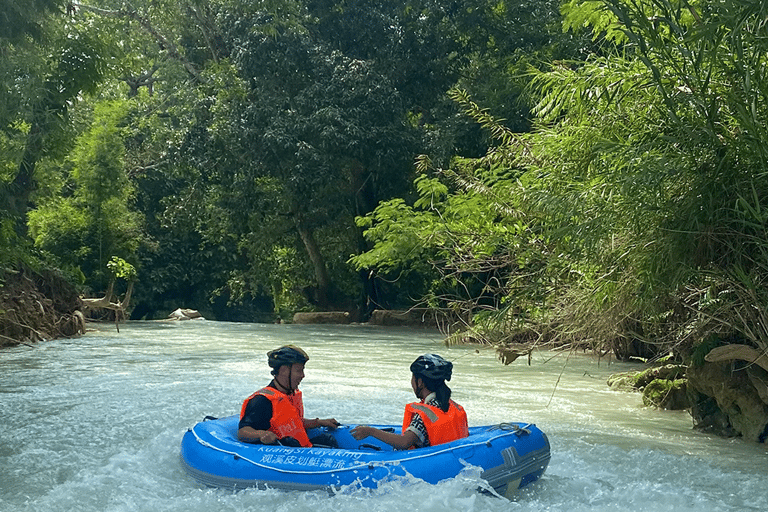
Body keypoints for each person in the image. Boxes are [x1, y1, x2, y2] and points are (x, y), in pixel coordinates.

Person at [351, 353, 468, 449]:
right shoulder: (450, 406)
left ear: (420, 382)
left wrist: (370, 431)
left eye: (413, 378)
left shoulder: (425, 414)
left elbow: (404, 442)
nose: (411, 382)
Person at [238, 345, 340, 447]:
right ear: (284, 370)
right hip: (281, 453)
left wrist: (319, 422)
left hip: (299, 448)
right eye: (299, 370)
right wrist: (262, 434)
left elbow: (292, 424)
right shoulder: (262, 400)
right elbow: (243, 432)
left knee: (328, 440)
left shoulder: (288, 394)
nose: (302, 375)